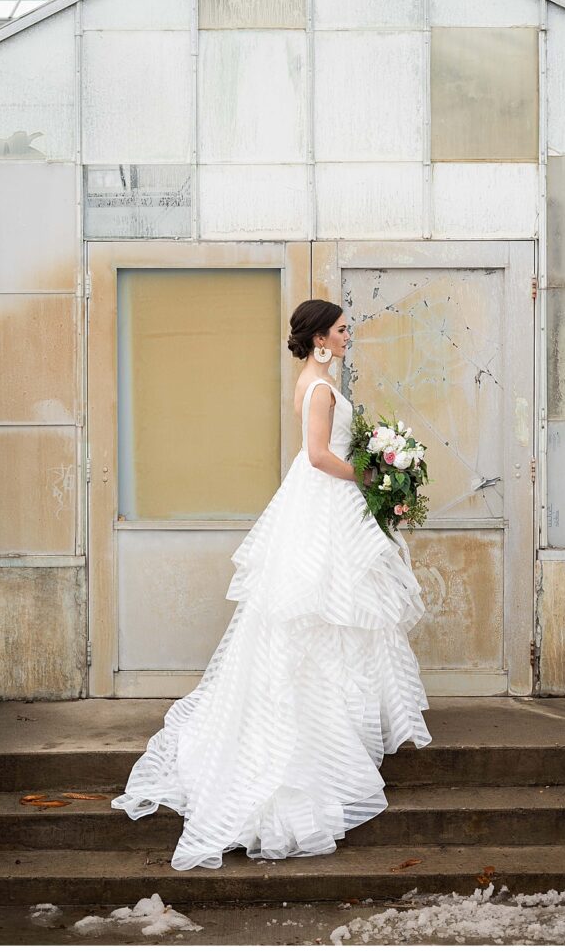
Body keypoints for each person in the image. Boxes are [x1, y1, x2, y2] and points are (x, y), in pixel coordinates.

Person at [111, 298, 432, 870]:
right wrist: (373, 473)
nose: (347, 334)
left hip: (317, 506)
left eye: (346, 328)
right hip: (324, 502)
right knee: (324, 610)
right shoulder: (321, 389)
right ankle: (314, 741)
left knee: (325, 614)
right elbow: (315, 456)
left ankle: (332, 724)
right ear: (318, 338)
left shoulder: (311, 380)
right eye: (340, 329)